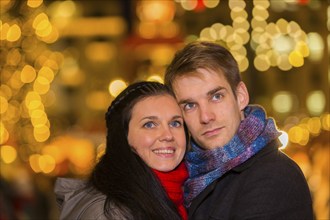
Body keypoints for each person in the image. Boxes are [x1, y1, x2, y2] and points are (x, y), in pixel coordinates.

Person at [164, 41, 314, 219]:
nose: (205, 116)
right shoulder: (187, 176)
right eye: (190, 105)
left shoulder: (274, 175)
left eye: (216, 96)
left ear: (241, 96)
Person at [54, 81, 189, 220]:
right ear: (123, 137)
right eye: (149, 124)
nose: (168, 135)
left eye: (175, 123)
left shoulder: (186, 195)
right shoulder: (107, 213)